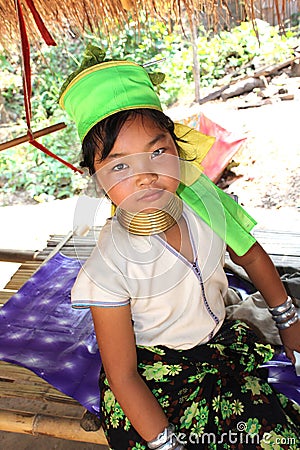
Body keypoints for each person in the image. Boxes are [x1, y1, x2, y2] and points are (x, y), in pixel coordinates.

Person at [59, 47, 300, 449]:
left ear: (177, 148)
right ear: (98, 179)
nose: (146, 176)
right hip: (155, 382)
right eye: (120, 165)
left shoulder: (202, 201)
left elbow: (250, 253)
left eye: (157, 152)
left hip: (219, 350)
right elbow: (124, 376)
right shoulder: (108, 267)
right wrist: (167, 444)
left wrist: (288, 319)